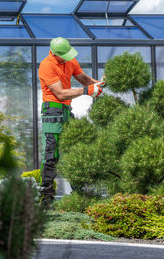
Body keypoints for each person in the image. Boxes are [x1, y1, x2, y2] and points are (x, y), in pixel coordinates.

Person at [38, 37, 104, 206]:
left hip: (67, 110)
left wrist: (98, 84)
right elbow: (60, 93)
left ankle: (79, 194)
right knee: (51, 155)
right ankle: (46, 199)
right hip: (52, 110)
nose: (68, 57)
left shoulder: (69, 59)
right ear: (55, 53)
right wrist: (86, 91)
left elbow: (83, 79)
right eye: (65, 55)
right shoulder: (47, 65)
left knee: (73, 150)